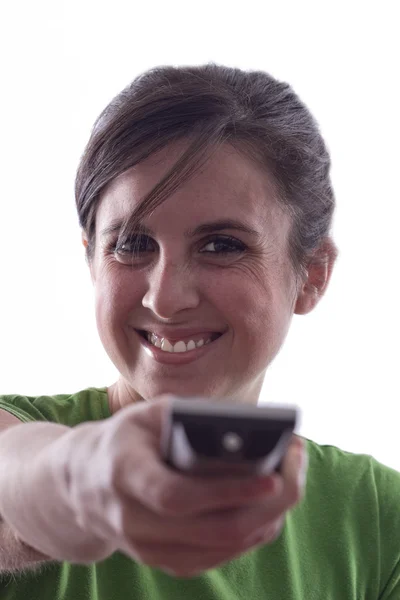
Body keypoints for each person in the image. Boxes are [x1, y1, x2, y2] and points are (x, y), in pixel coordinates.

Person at [0, 63, 399, 600]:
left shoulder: (377, 517)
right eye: (132, 244)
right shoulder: (20, 431)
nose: (165, 297)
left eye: (222, 246)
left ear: (313, 276)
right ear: (93, 262)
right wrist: (80, 479)